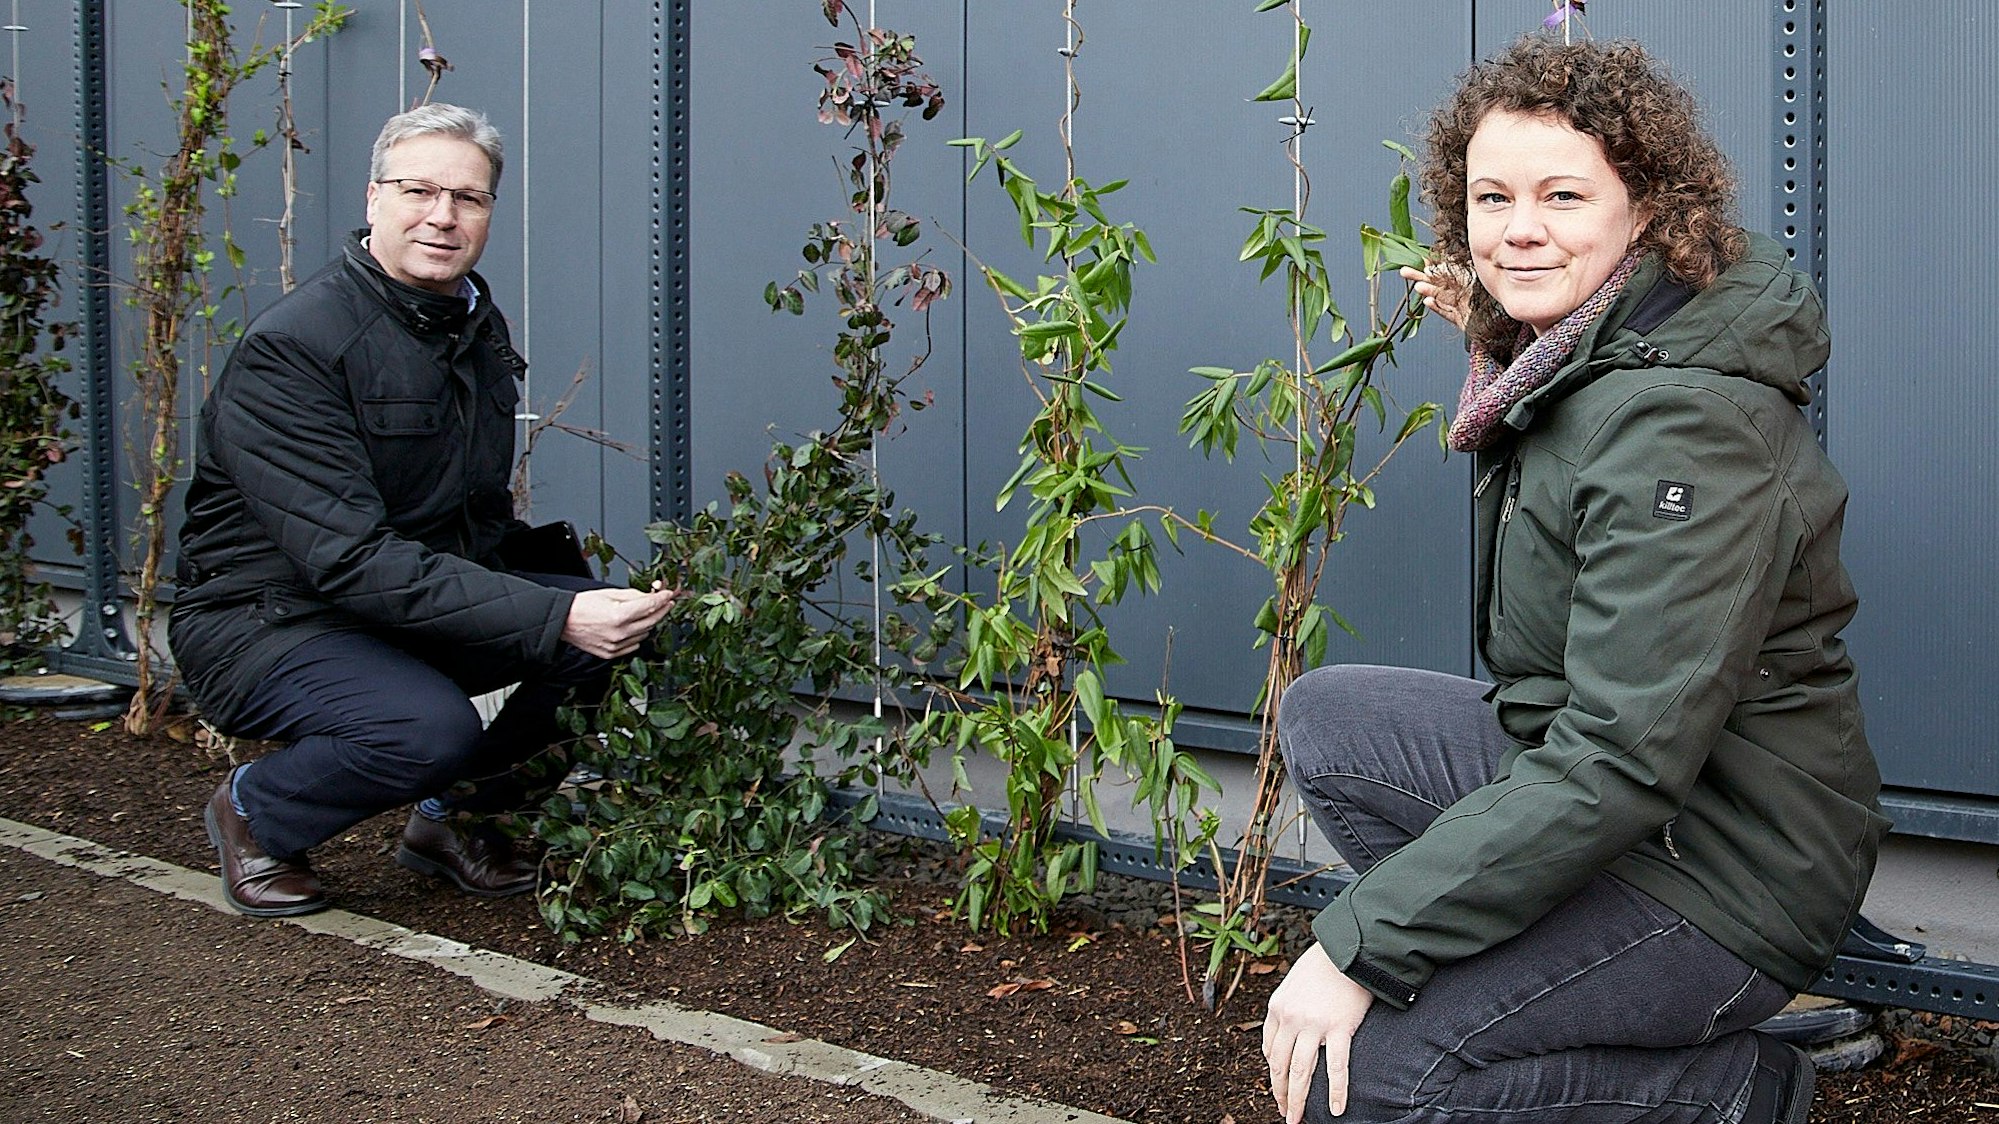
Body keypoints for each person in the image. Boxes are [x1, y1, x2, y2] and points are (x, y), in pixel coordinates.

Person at [1260, 37, 1887, 1124]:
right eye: (1491, 197)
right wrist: (1497, 327)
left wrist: (1358, 943)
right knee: (1330, 719)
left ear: (1646, 211)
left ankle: (1733, 1089)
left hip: (1726, 871)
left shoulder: (1686, 424)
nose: (1517, 228)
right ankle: (1550, 967)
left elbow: (1619, 753)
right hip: (1640, 805)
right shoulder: (1590, 352)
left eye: (1562, 195)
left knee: (1363, 1081)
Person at [169, 104, 675, 919]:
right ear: (374, 198)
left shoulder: (467, 323)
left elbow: (465, 512)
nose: (443, 216)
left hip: (396, 601)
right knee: (427, 729)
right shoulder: (295, 347)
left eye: (468, 198)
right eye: (419, 191)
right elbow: (348, 557)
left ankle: (454, 821)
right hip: (268, 618)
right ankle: (257, 812)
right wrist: (554, 614)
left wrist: (572, 599)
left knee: (621, 637)